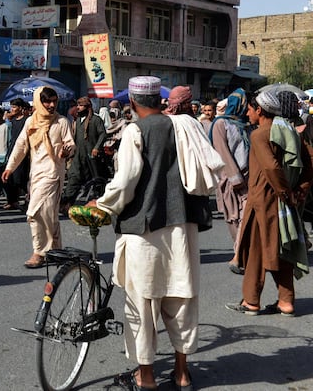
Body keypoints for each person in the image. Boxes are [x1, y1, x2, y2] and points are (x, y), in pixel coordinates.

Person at [91, 77, 214, 391]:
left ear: (132, 103)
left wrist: (102, 204)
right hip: (183, 227)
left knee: (143, 302)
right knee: (181, 297)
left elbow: (126, 180)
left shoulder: (136, 130)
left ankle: (145, 376)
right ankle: (182, 373)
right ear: (159, 100)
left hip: (146, 230)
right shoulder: (186, 126)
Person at [226, 91, 312, 318]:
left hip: (263, 201)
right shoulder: (291, 131)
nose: (247, 113)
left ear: (260, 110)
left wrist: (285, 193)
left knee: (255, 250)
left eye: (250, 109)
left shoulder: (260, 135)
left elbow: (271, 167)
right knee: (281, 249)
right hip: (285, 201)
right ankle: (286, 301)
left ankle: (251, 301)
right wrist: (299, 191)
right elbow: (309, 161)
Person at [3, 87, 74, 268]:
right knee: (49, 215)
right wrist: (10, 167)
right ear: (38, 102)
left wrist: (66, 151)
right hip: (35, 175)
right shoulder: (31, 122)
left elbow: (70, 144)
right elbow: (20, 146)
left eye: (54, 101)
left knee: (34, 213)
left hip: (53, 175)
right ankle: (56, 249)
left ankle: (39, 252)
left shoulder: (61, 122)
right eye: (47, 101)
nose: (51, 105)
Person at [209, 88, 250, 274]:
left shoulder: (246, 125)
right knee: (233, 219)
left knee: (245, 218)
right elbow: (222, 151)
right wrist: (235, 177)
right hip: (230, 179)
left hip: (249, 179)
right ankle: (239, 253)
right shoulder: (220, 124)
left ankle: (239, 256)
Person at [61, 96, 107, 210]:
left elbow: (103, 134)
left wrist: (97, 148)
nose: (78, 108)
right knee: (74, 177)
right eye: (78, 105)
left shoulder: (96, 120)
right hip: (78, 155)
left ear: (87, 107)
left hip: (92, 156)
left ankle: (99, 204)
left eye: (81, 105)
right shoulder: (77, 121)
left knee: (96, 180)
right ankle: (66, 203)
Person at [3, 98, 30, 211]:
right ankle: (12, 201)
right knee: (9, 178)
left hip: (23, 152)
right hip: (11, 151)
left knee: (21, 178)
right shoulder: (12, 120)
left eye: (14, 107)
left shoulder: (26, 120)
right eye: (11, 107)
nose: (12, 109)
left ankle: (29, 199)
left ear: (20, 108)